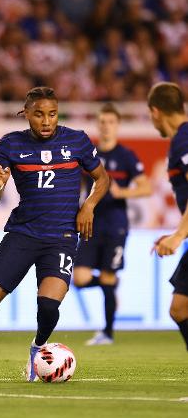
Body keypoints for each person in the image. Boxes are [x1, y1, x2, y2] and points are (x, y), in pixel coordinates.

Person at [0, 86, 110, 382]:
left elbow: (101, 178)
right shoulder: (10, 145)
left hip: (62, 237)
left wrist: (89, 206)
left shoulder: (77, 141)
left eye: (52, 114)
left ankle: (38, 346)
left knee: (48, 307)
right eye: (39, 114)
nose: (46, 121)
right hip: (23, 234)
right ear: (25, 114)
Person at [73, 103, 152, 345]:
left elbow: (145, 187)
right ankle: (110, 286)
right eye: (102, 122)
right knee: (80, 279)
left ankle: (107, 333)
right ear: (98, 124)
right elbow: (79, 188)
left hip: (116, 226)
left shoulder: (126, 156)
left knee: (107, 276)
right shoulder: (90, 155)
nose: (106, 126)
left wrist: (121, 193)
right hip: (91, 225)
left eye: (110, 122)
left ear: (117, 125)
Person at [148, 81, 188, 351]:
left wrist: (178, 235)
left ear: (155, 112)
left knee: (180, 307)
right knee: (180, 307)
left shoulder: (183, 140)